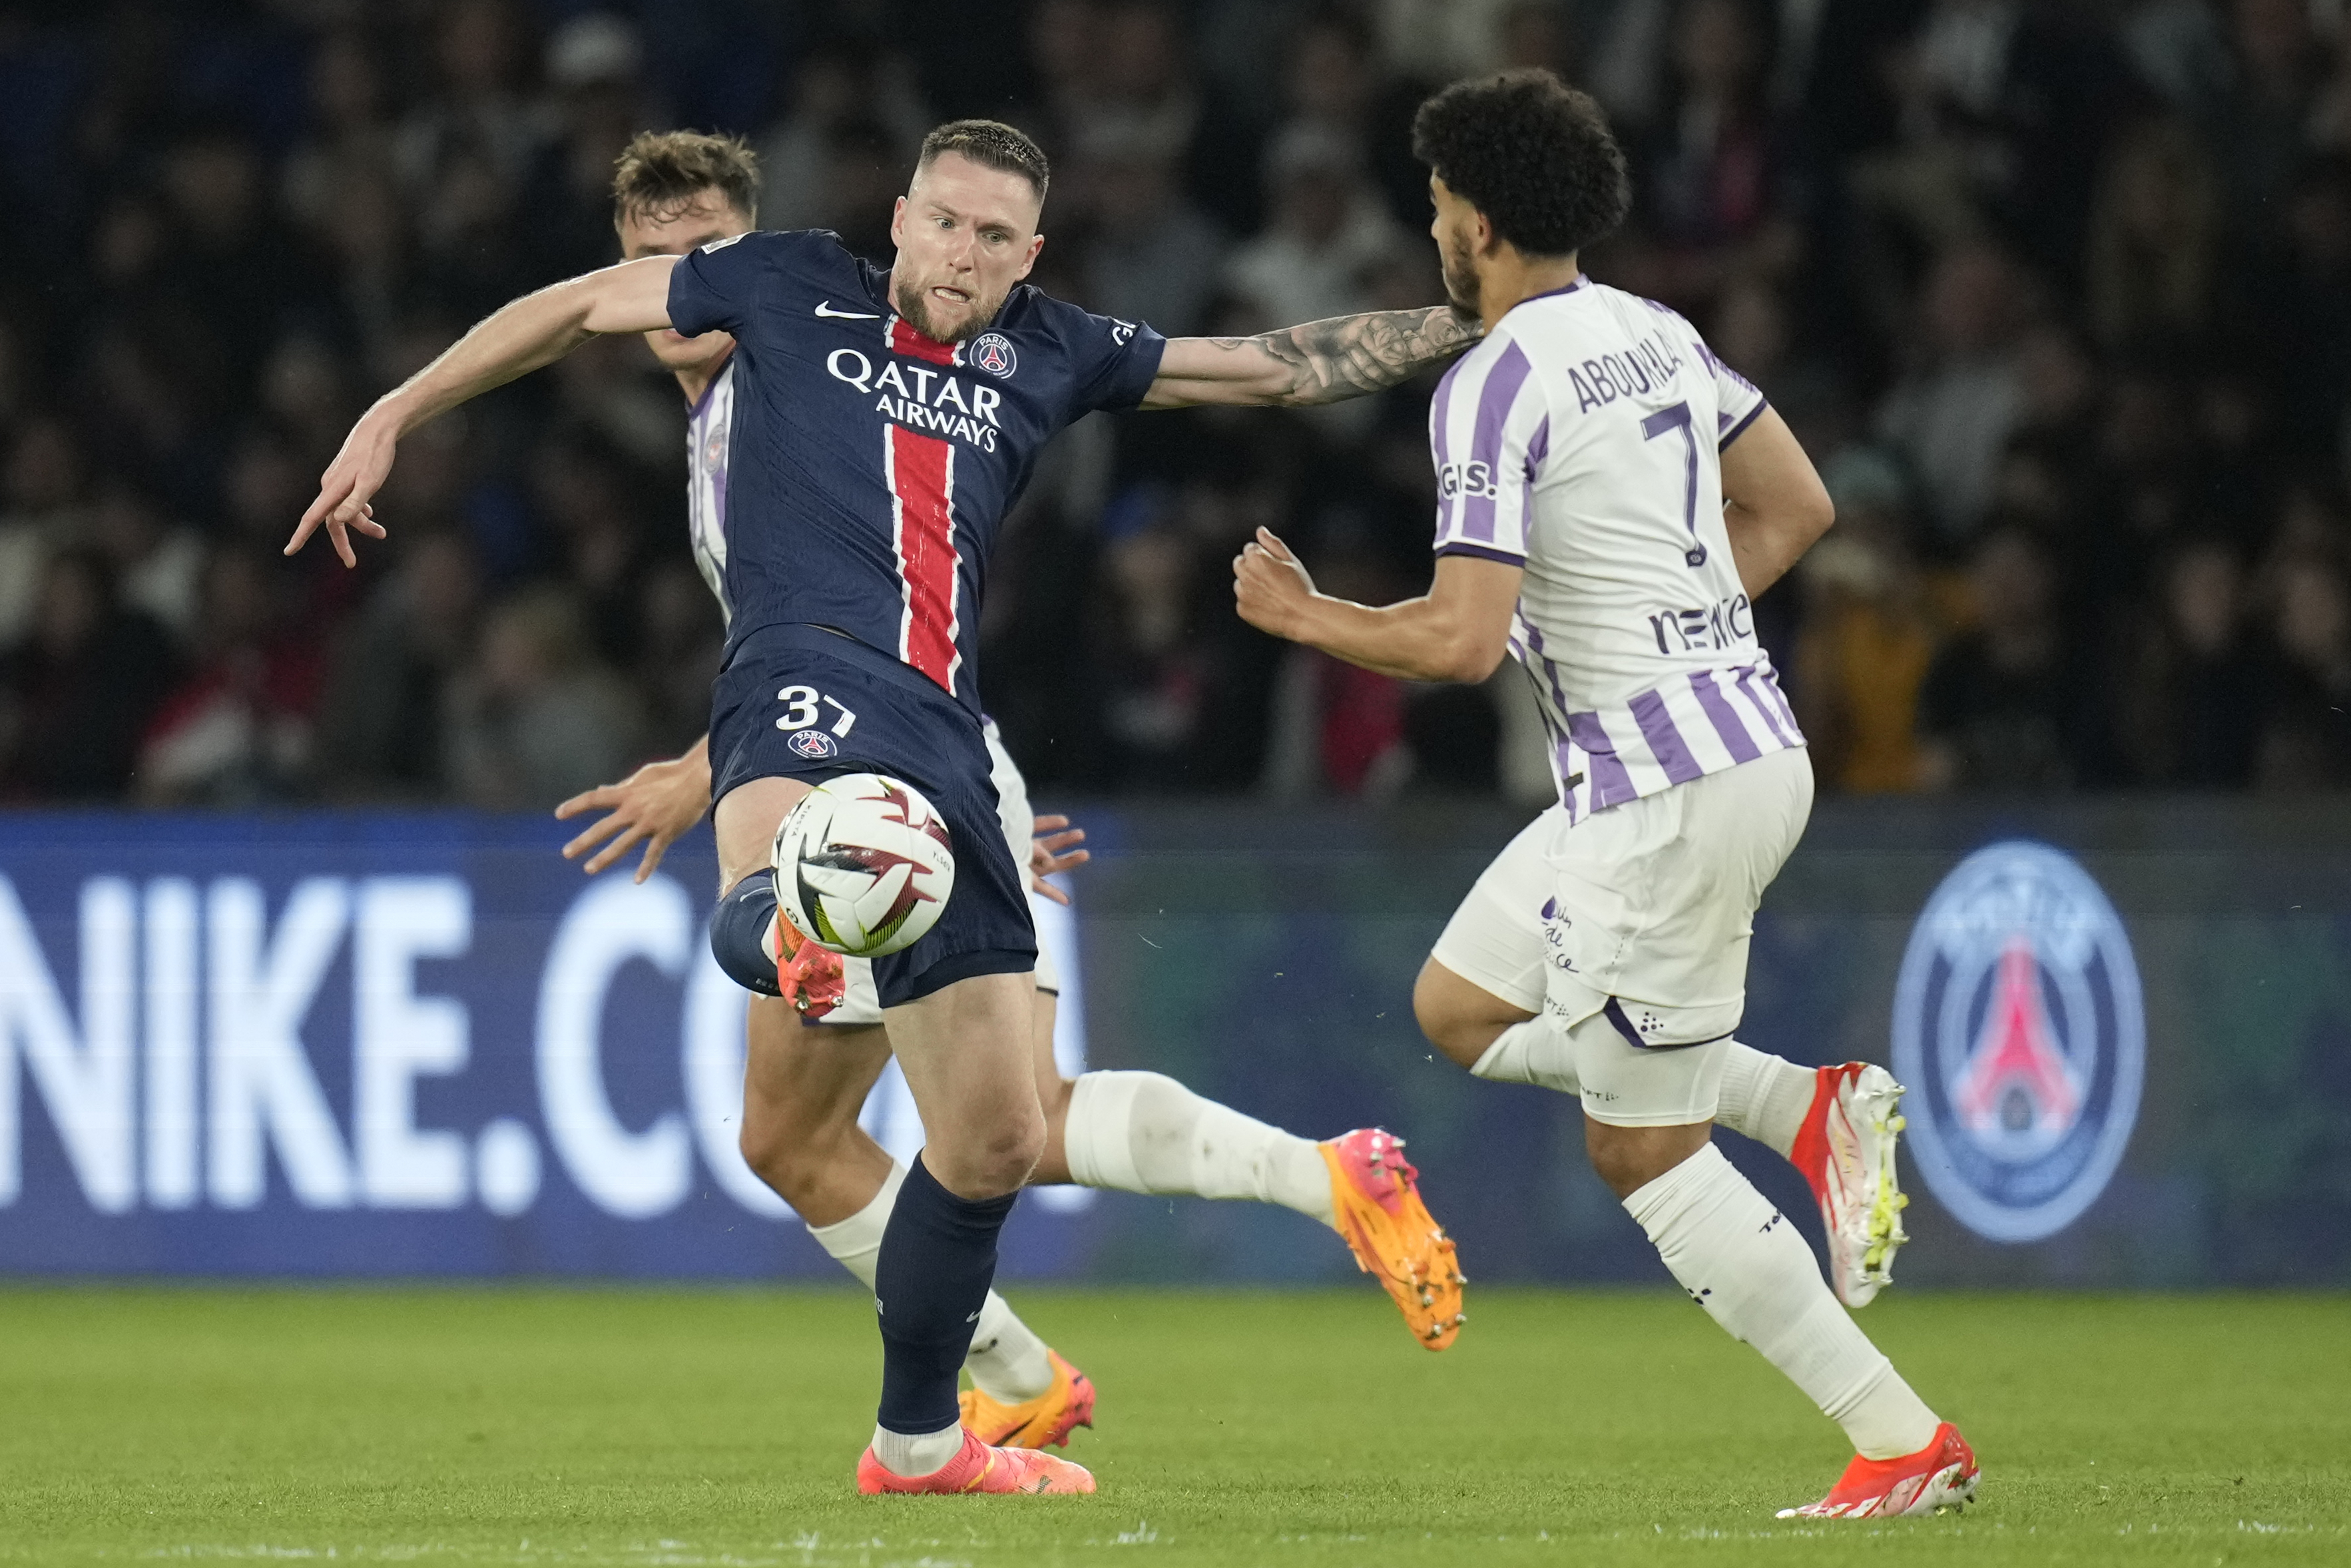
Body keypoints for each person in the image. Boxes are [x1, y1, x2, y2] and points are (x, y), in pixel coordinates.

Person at [291, 118, 1482, 1498]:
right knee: (939, 1119)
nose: (963, 251)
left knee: (955, 1129)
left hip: (937, 742)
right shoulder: (771, 327)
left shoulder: (982, 336)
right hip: (834, 715)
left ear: (1026, 254)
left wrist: (1477, 320)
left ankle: (985, 1336)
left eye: (994, 234)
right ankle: (1031, 1337)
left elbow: (1269, 366)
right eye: (945, 222)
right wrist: (390, 413)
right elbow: (579, 321)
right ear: (903, 219)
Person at [1233, 71, 1977, 1520]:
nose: (1432, 231)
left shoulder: (1490, 380)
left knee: (1640, 1147)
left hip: (1665, 792)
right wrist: (1670, 630)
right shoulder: (1657, 330)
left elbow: (1458, 642)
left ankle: (1900, 1440)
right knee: (1458, 1004)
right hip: (1718, 751)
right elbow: (1800, 506)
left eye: (1438, 207)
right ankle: (1803, 1103)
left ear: (1480, 221)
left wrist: (1311, 616)